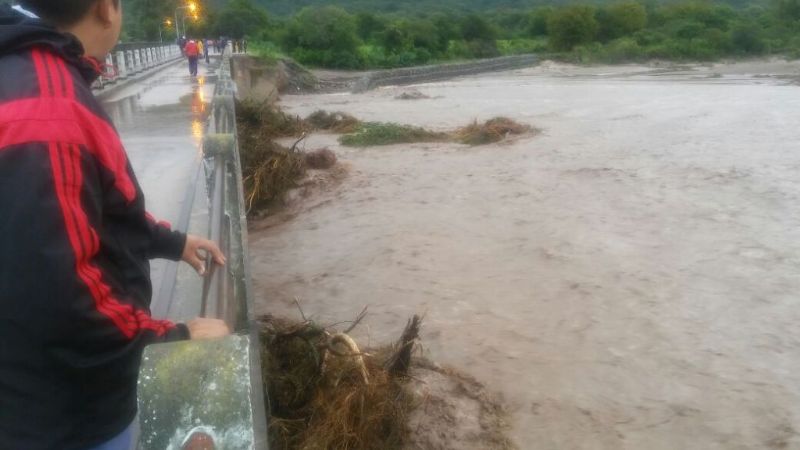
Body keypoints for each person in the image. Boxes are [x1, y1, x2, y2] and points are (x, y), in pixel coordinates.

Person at [0, 2, 230, 449]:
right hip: (62, 409)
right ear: (107, 8)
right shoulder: (50, 104)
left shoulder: (25, 74)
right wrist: (172, 336)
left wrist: (172, 240)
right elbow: (59, 290)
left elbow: (91, 211)